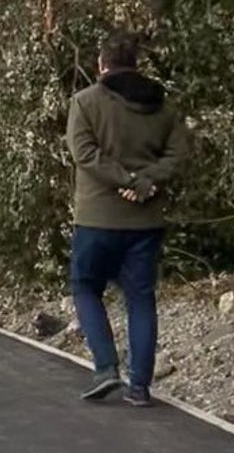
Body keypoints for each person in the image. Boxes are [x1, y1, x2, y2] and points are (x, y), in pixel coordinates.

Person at [65, 32, 190, 407]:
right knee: (140, 299)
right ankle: (140, 386)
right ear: (135, 65)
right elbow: (179, 155)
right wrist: (145, 181)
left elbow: (83, 153)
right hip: (145, 222)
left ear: (101, 65)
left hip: (96, 217)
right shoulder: (164, 108)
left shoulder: (85, 103)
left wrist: (126, 179)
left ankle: (106, 368)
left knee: (85, 287)